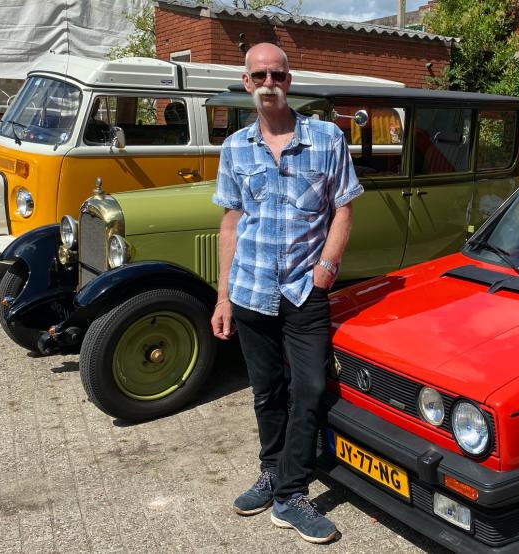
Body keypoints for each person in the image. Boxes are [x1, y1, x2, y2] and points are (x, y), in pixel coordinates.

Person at [210, 42, 362, 544]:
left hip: (304, 291)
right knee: (267, 391)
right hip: (251, 291)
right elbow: (230, 223)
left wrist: (325, 268)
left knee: (312, 388)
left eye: (278, 74)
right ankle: (273, 472)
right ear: (247, 82)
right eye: (260, 75)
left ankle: (292, 495)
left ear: (289, 80)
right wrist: (223, 297)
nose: (269, 83)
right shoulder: (235, 147)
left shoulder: (325, 139)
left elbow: (343, 207)